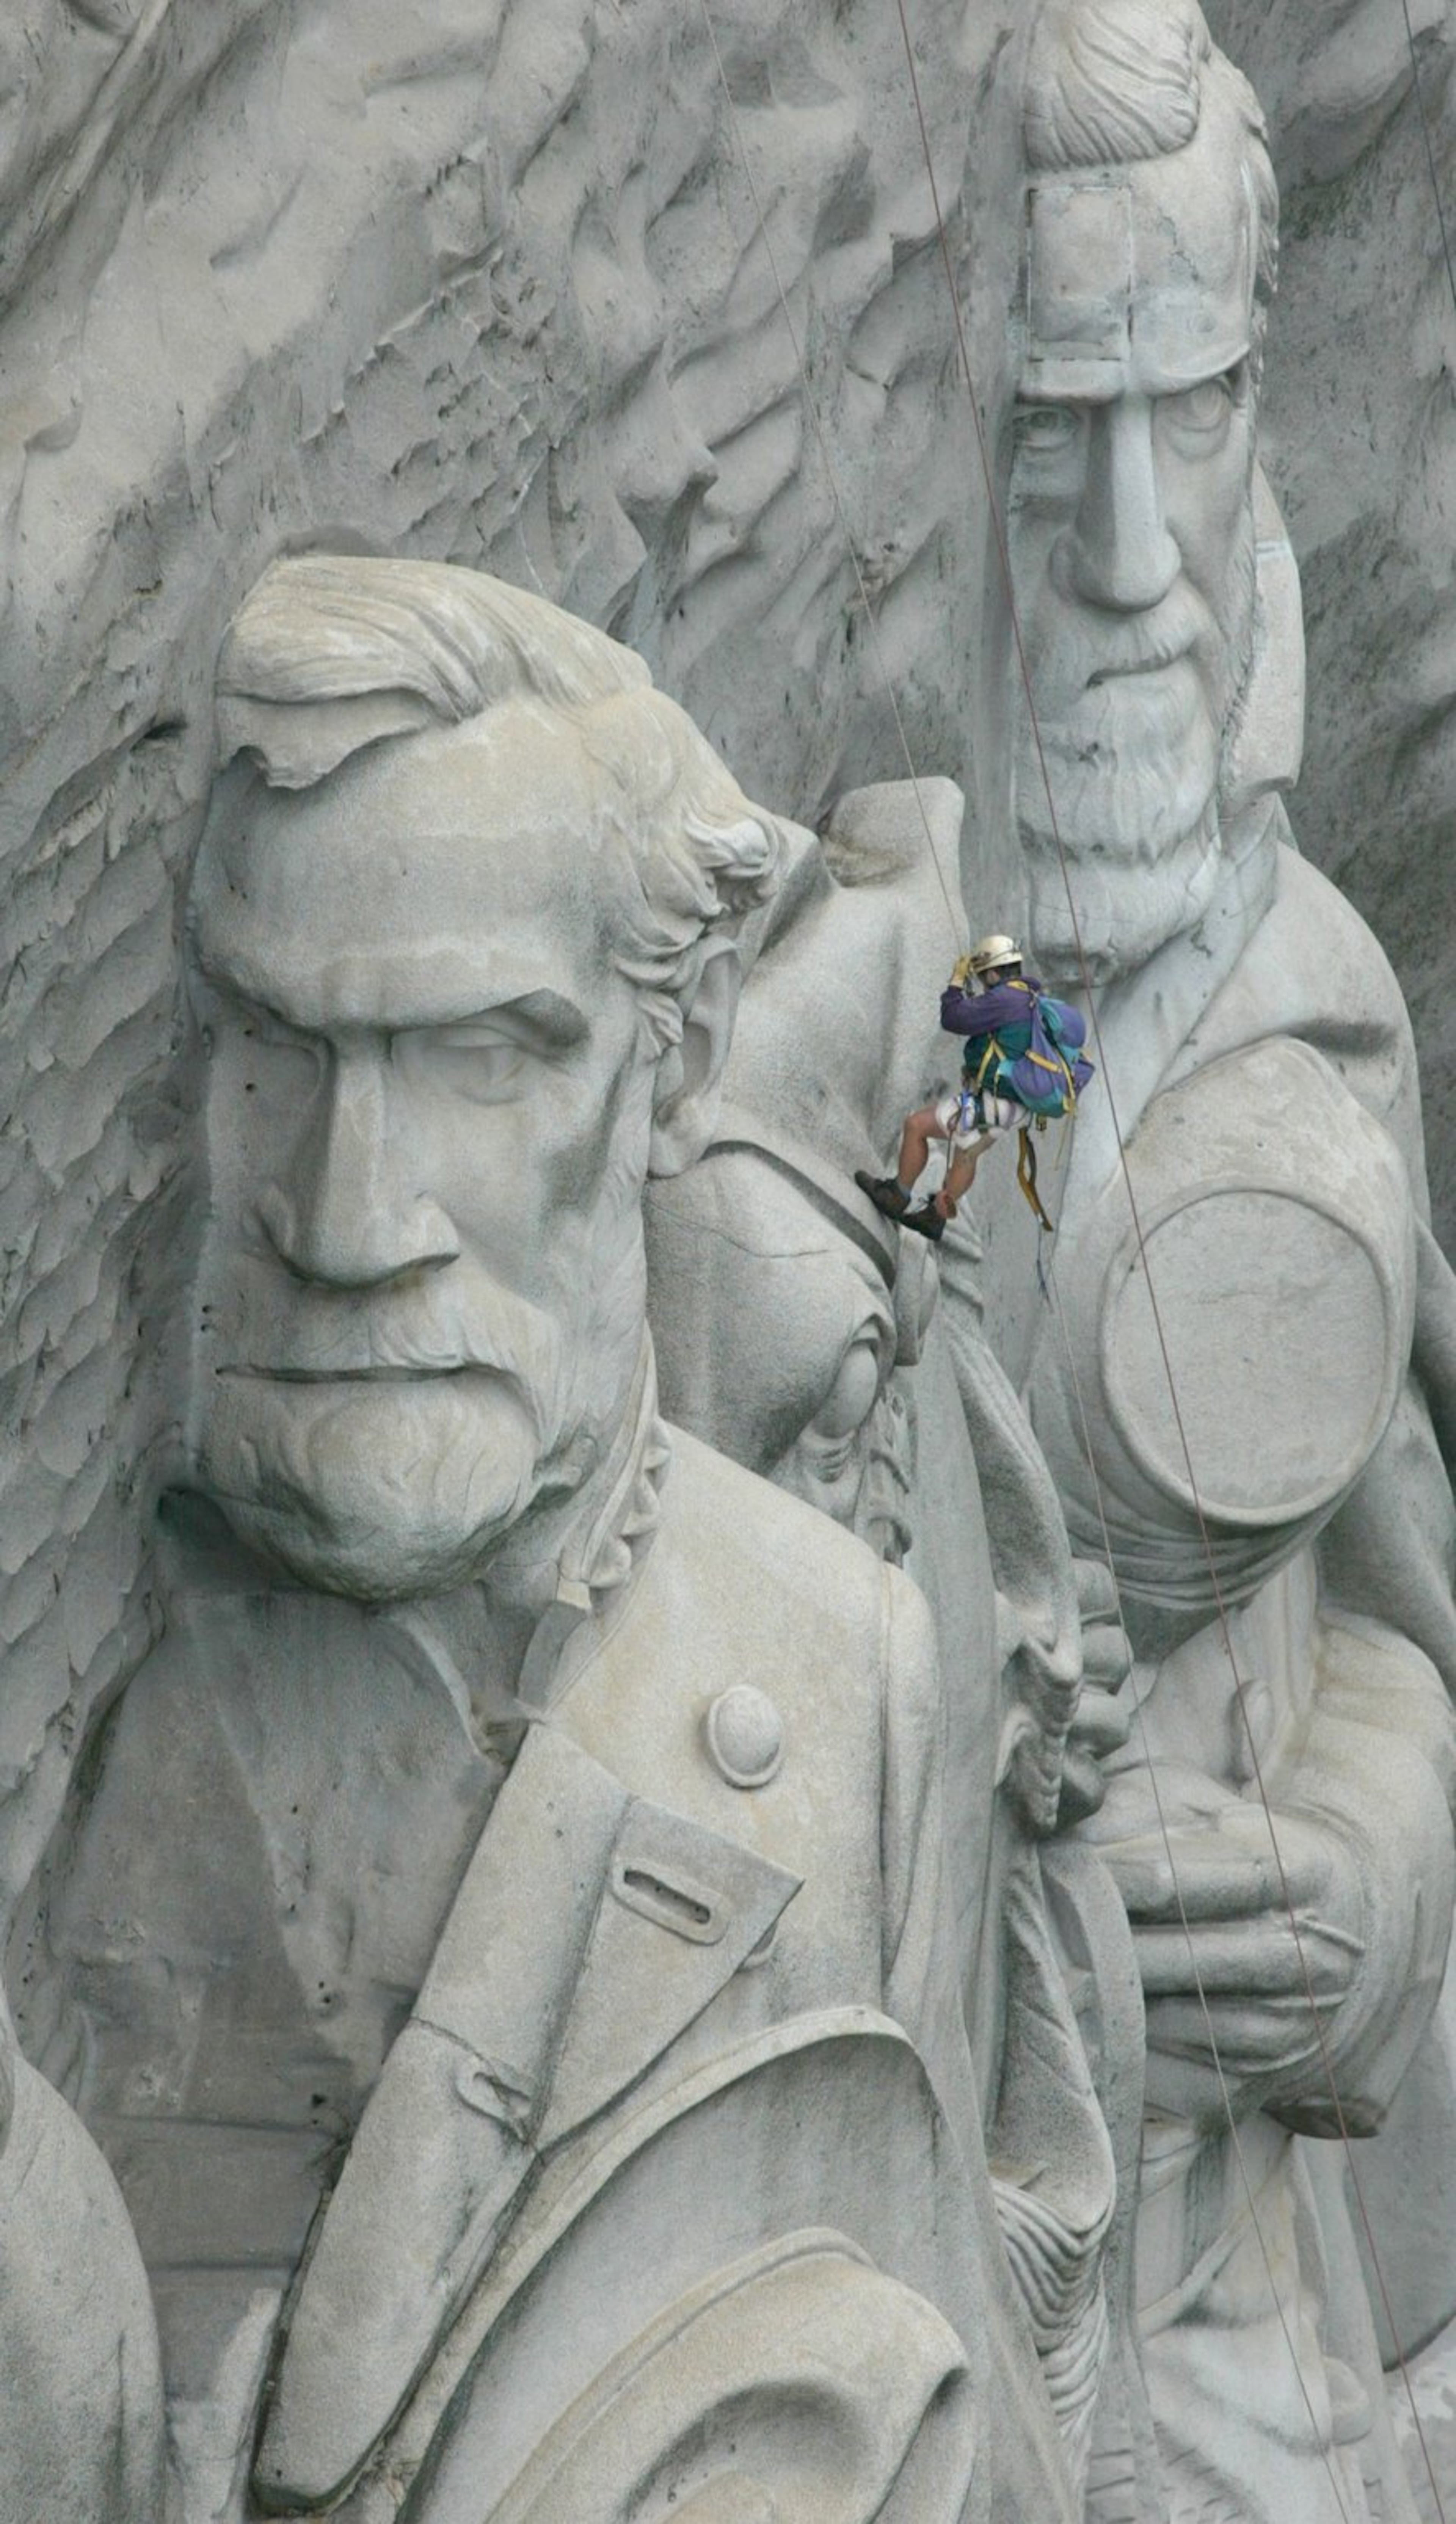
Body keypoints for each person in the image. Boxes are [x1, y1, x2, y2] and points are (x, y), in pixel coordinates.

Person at [19, 555, 1076, 2524]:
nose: (353, 1219)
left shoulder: (840, 1658)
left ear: (676, 1058)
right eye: (277, 1048)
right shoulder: (110, 1724)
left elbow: (940, 2332)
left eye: (482, 1057)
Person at [999, 7, 1456, 2520]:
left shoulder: (1307, 990)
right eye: (1051, 427)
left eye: (1186, 413)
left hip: (1231, 2313)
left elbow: (1397, 1624)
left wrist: (1357, 1880)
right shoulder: (939, 1009)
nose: (1128, 548)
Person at [856, 934, 1089, 1241]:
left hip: (994, 1103)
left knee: (917, 1126)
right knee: (967, 1152)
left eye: (983, 974)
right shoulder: (1029, 996)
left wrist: (956, 984)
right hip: (1013, 1105)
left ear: (994, 972)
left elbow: (954, 1018)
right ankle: (935, 1218)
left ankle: (898, 1195)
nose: (982, 981)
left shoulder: (1004, 999)